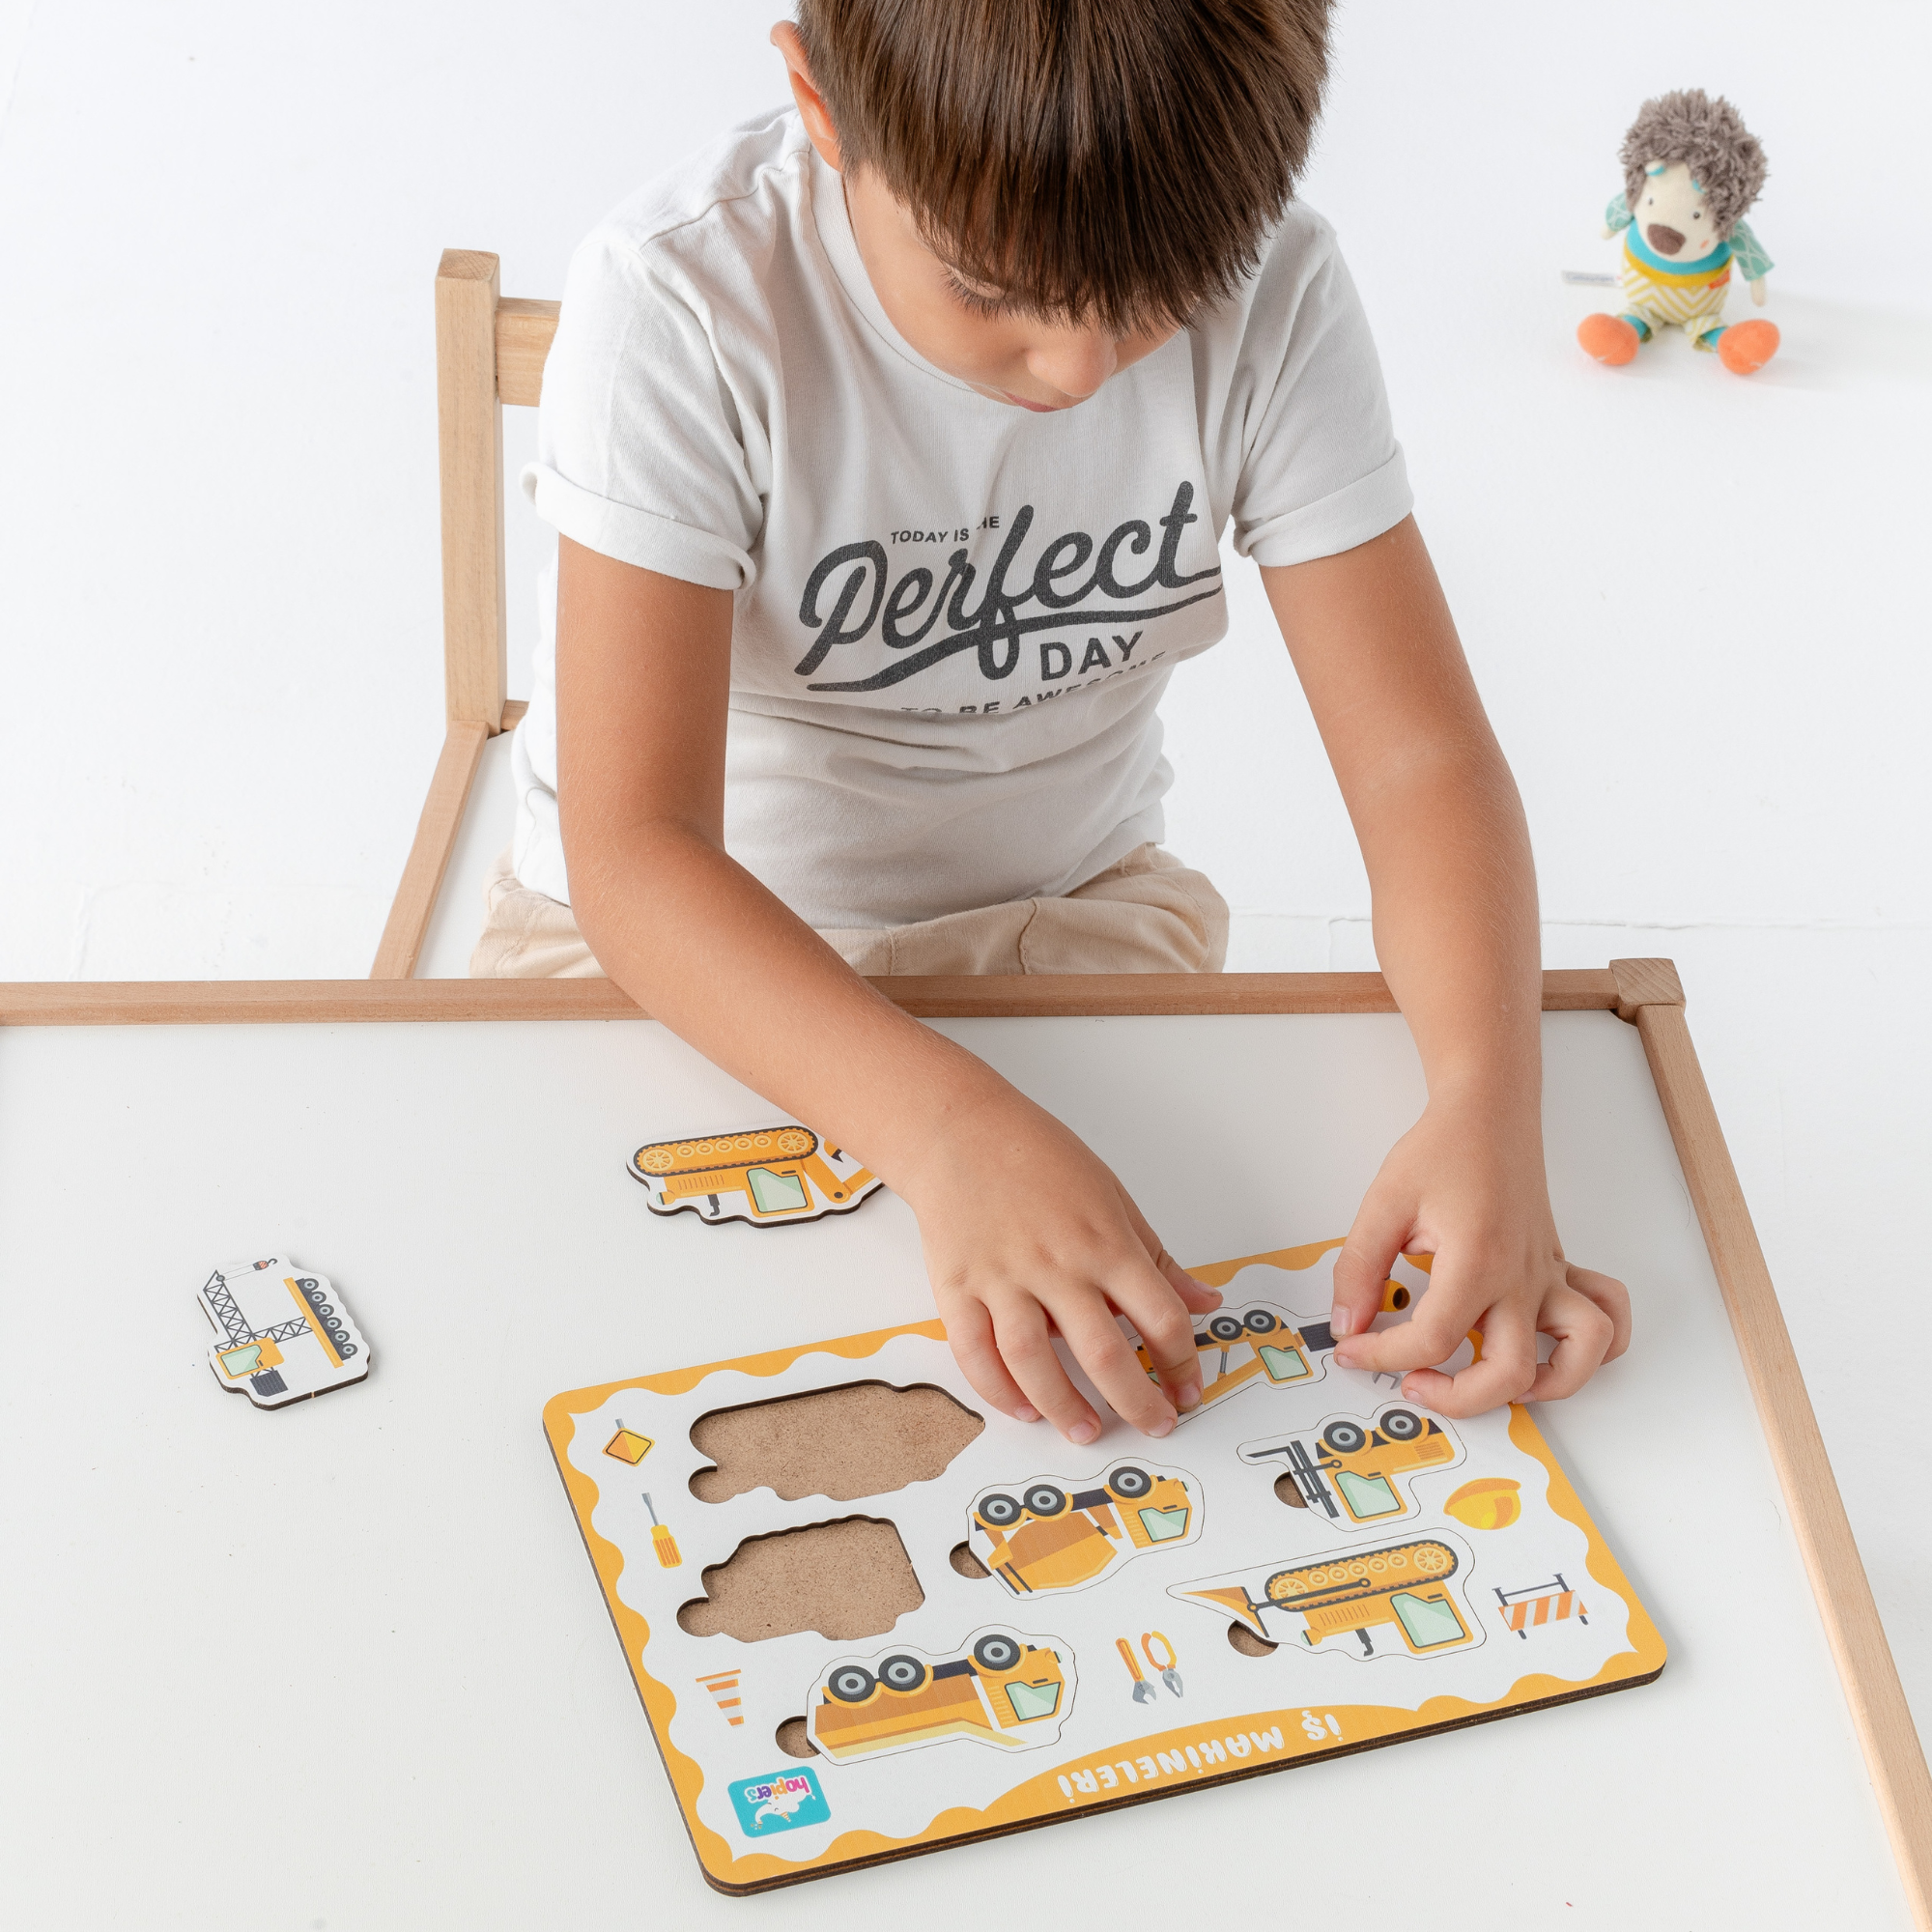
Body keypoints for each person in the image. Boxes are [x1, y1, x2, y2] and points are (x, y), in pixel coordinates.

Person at [474, 0, 1630, 1441]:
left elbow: (1420, 760)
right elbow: (634, 851)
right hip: (670, 949)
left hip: (1063, 917)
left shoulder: (1279, 286)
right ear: (819, 104)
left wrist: (1487, 1103)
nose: (1081, 371)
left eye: (1158, 303)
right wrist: (946, 1131)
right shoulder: (680, 299)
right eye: (988, 287)